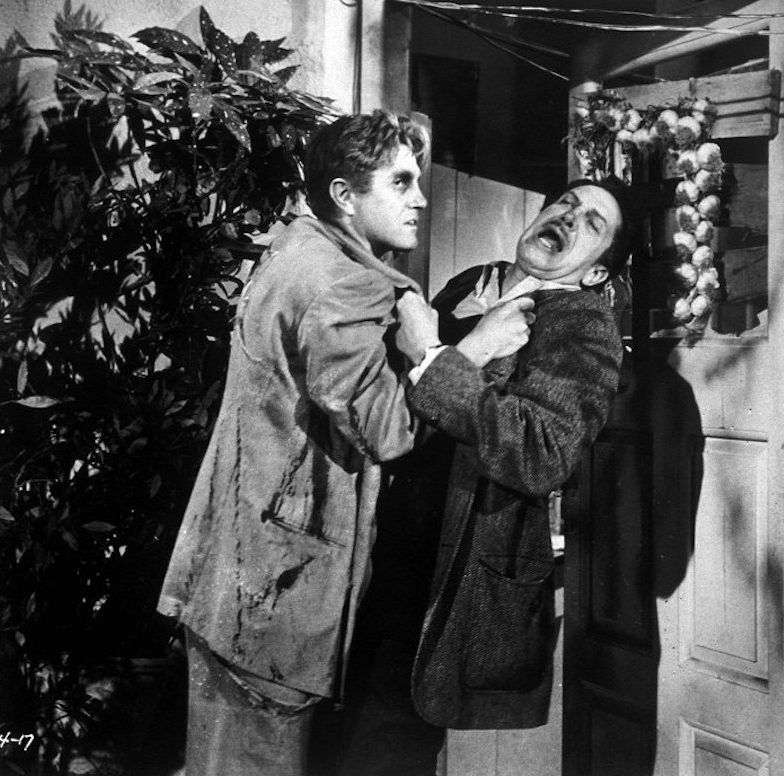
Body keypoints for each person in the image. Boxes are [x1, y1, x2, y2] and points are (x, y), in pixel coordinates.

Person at [155, 110, 532, 776]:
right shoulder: (342, 283)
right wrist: (470, 349)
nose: (421, 200)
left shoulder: (296, 248)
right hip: (275, 594)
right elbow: (385, 430)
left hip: (236, 572)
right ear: (344, 195)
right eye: (401, 182)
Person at [319, 177, 636, 776]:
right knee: (330, 729)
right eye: (565, 203)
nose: (569, 218)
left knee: (382, 746)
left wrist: (437, 357)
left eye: (592, 223)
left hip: (446, 562)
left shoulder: (584, 325)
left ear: (597, 271)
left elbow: (543, 452)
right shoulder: (473, 283)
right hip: (371, 534)